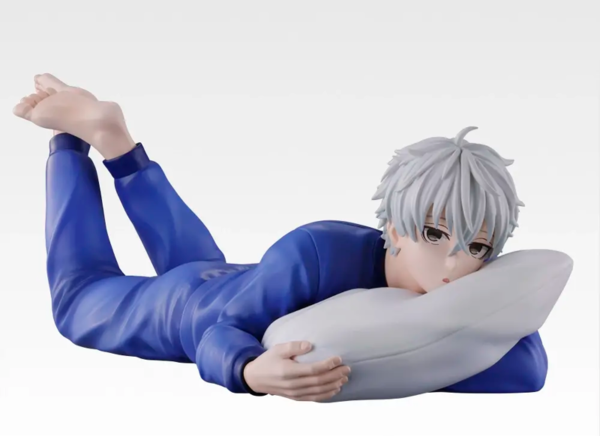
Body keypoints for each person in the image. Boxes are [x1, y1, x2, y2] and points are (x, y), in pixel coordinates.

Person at [12, 74, 547, 401]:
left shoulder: (461, 294)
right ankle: (74, 140)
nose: (454, 266)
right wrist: (247, 370)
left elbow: (528, 368)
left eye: (478, 248)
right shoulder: (319, 250)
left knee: (200, 265)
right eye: (434, 233)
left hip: (233, 280)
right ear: (394, 228)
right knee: (78, 300)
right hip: (188, 311)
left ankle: (115, 141)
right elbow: (218, 331)